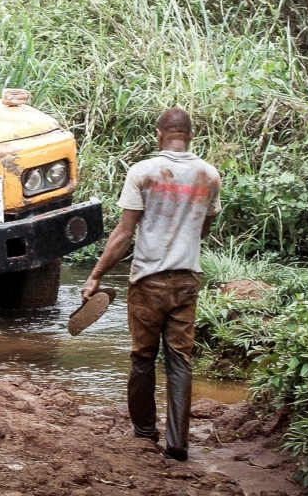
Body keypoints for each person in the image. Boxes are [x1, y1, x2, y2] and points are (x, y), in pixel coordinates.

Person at [81, 108, 222, 462]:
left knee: (143, 358)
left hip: (147, 281)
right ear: (190, 134)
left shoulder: (143, 172)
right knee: (180, 360)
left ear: (159, 134)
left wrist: (96, 274)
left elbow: (125, 234)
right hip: (187, 280)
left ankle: (145, 433)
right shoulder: (209, 175)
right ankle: (178, 443)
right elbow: (203, 228)